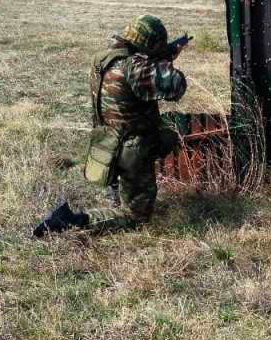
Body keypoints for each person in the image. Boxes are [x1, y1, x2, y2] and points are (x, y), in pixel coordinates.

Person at [33, 14, 188, 236]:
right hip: (133, 151)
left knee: (123, 193)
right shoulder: (134, 67)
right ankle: (70, 221)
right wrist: (164, 60)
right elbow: (177, 85)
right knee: (135, 218)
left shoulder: (103, 60)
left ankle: (117, 197)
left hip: (108, 143)